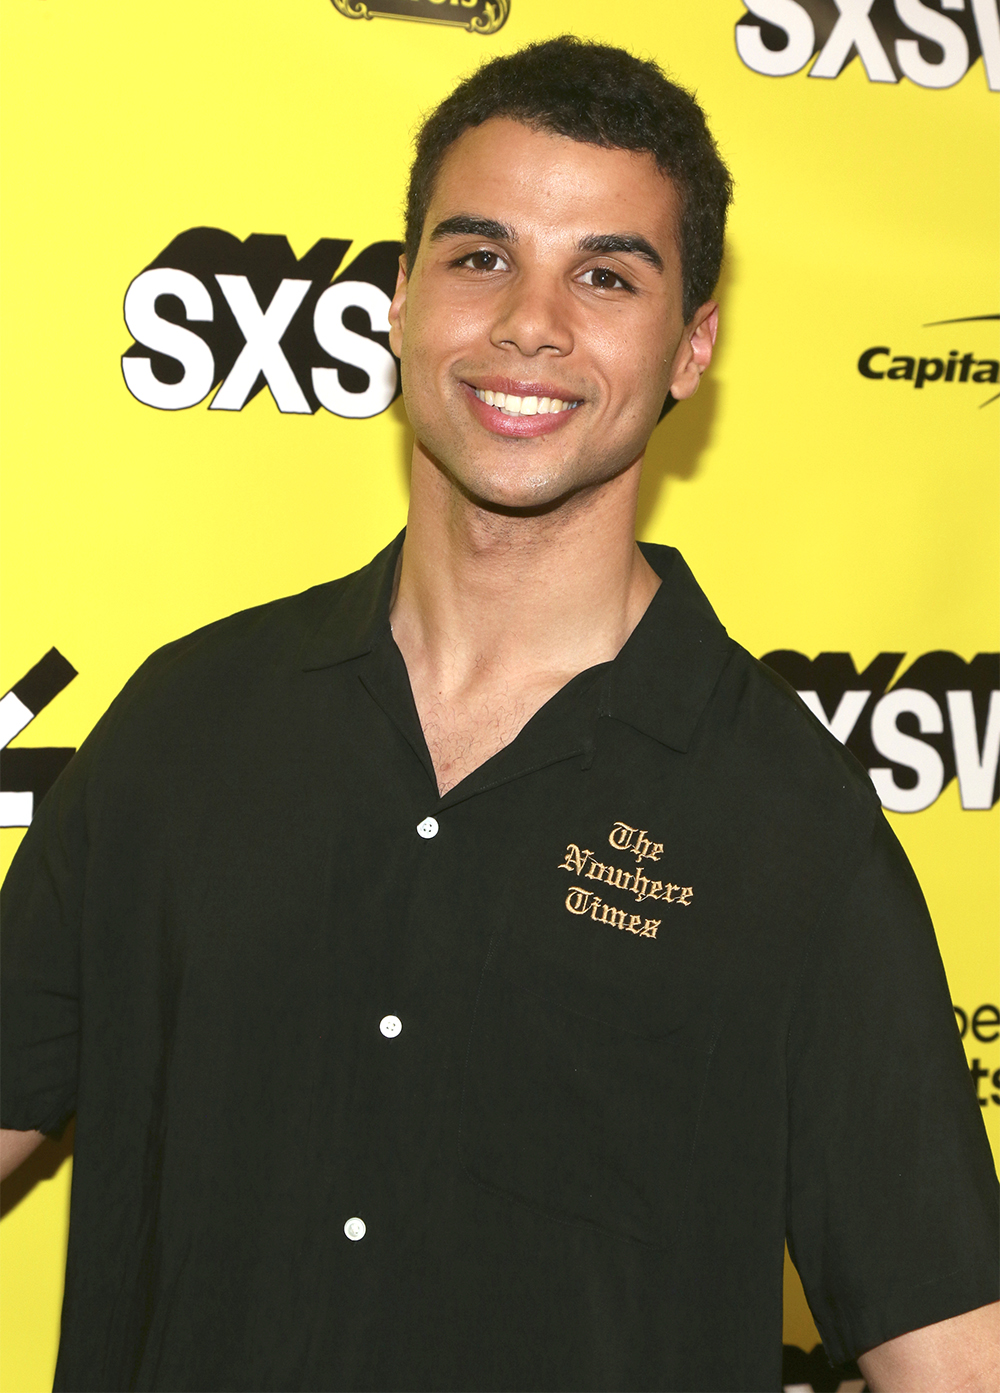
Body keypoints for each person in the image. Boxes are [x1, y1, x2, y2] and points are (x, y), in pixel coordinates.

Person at [1, 34, 997, 1393]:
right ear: (401, 300)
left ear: (692, 344)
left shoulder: (789, 832)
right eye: (479, 257)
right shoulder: (187, 730)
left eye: (605, 274)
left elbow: (959, 1355)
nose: (531, 321)